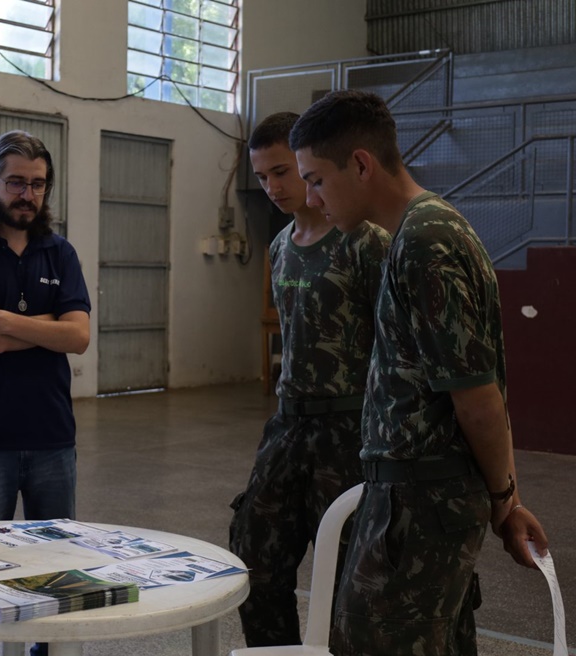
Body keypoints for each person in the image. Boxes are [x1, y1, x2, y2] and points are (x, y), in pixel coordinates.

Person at [289, 89, 549, 656]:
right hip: (415, 497)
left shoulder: (426, 241)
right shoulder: (422, 231)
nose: (309, 197)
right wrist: (503, 499)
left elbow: (477, 398)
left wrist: (505, 501)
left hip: (420, 504)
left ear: (361, 164)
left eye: (316, 179)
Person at [228, 112, 390, 647]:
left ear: (305, 164)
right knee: (254, 560)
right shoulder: (280, 247)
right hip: (288, 424)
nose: (272, 187)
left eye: (281, 172)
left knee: (347, 575)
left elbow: (393, 343)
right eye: (261, 177)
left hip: (349, 429)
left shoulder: (364, 241)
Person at [0, 130, 91, 656]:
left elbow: (80, 337)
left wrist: (5, 318)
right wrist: (48, 326)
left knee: (56, 570)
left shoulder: (60, 252)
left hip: (52, 439)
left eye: (39, 184)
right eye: (17, 183)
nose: (28, 195)